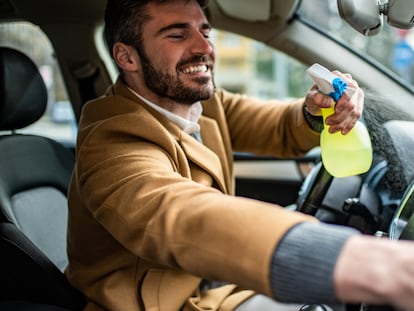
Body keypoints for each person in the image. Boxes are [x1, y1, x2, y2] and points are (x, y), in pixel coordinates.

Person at [65, 0, 414, 310]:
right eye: (176, 35)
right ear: (127, 57)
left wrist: (314, 110)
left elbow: (277, 126)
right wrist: (359, 260)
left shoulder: (200, 102)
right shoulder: (109, 140)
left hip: (215, 286)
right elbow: (182, 217)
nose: (204, 47)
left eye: (205, 31)